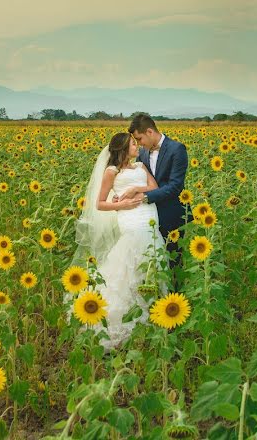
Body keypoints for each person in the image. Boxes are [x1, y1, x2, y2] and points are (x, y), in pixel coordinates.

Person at [73, 132, 168, 350]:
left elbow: (154, 189)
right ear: (123, 148)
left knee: (153, 255)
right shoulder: (111, 171)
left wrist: (136, 189)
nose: (137, 147)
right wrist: (121, 206)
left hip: (148, 214)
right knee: (133, 259)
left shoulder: (141, 167)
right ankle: (127, 318)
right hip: (131, 218)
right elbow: (100, 203)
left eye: (137, 143)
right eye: (133, 144)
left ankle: (154, 312)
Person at [119, 114, 189, 290]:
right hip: (146, 216)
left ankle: (175, 301)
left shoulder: (177, 149)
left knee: (173, 261)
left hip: (171, 214)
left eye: (140, 138)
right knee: (148, 260)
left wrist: (145, 197)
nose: (139, 143)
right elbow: (138, 181)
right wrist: (121, 195)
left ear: (150, 132)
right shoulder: (142, 153)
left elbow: (175, 186)